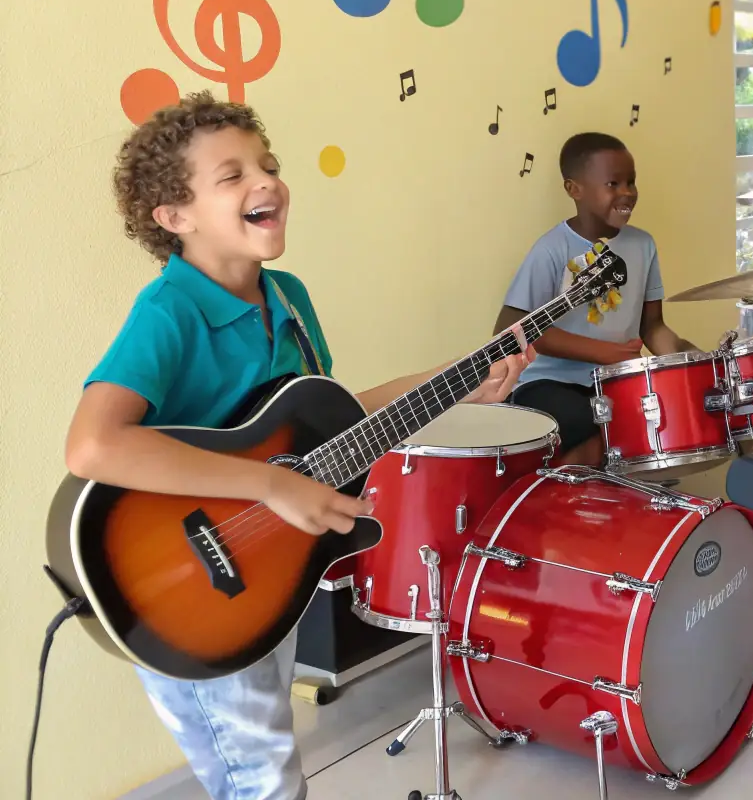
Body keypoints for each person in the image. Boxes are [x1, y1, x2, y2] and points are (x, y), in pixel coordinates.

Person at [64, 93, 530, 800]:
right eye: (232, 175)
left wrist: (460, 383)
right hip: (186, 586)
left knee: (263, 763)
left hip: (266, 571)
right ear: (175, 217)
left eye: (269, 164)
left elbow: (332, 417)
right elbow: (93, 446)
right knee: (264, 780)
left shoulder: (286, 298)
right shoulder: (171, 312)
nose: (266, 181)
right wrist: (271, 486)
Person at [495, 132, 695, 467]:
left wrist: (693, 364)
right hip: (550, 382)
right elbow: (511, 327)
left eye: (631, 182)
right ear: (575, 189)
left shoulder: (643, 245)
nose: (627, 193)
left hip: (617, 379)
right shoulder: (552, 249)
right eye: (613, 183)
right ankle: (567, 507)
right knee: (589, 423)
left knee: (669, 412)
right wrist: (606, 353)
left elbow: (653, 326)